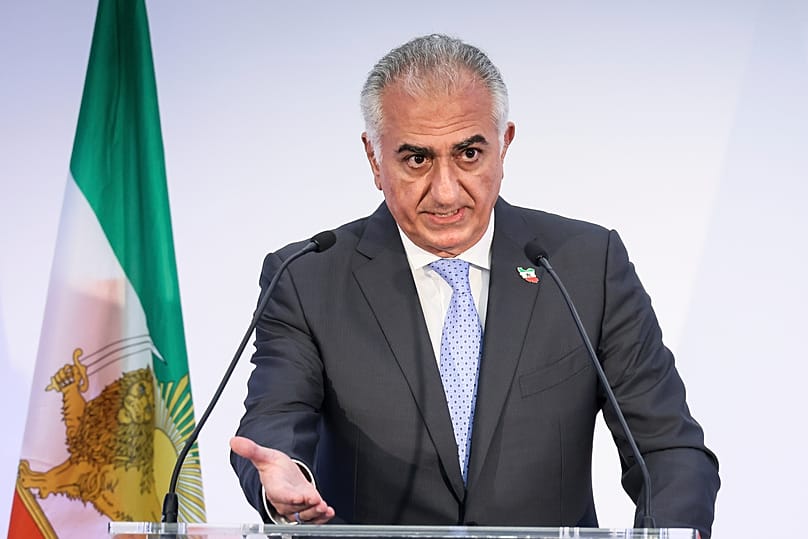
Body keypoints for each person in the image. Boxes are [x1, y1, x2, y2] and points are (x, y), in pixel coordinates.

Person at [230, 34, 720, 537]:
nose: (446, 191)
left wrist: (668, 530)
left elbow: (666, 449)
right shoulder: (307, 278)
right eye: (416, 159)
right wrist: (281, 483)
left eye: (469, 153)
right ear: (375, 159)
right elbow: (275, 423)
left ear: (504, 145)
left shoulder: (584, 265)